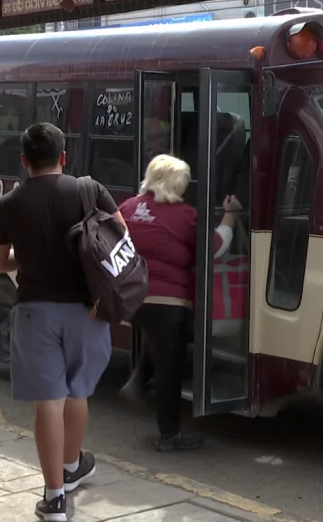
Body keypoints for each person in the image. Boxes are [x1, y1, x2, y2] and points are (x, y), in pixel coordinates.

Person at [0, 122, 123, 521]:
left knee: (49, 402)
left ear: (24, 160)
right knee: (77, 393)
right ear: (64, 157)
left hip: (34, 311)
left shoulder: (9, 204)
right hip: (87, 310)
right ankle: (71, 466)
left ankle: (54, 497)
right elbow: (120, 241)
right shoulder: (89, 190)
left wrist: (23, 259)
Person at [118, 154, 238, 452]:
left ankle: (140, 376)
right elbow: (216, 248)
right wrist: (230, 215)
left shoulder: (128, 208)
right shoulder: (185, 215)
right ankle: (169, 435)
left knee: (163, 342)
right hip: (168, 302)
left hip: (133, 299)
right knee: (171, 366)